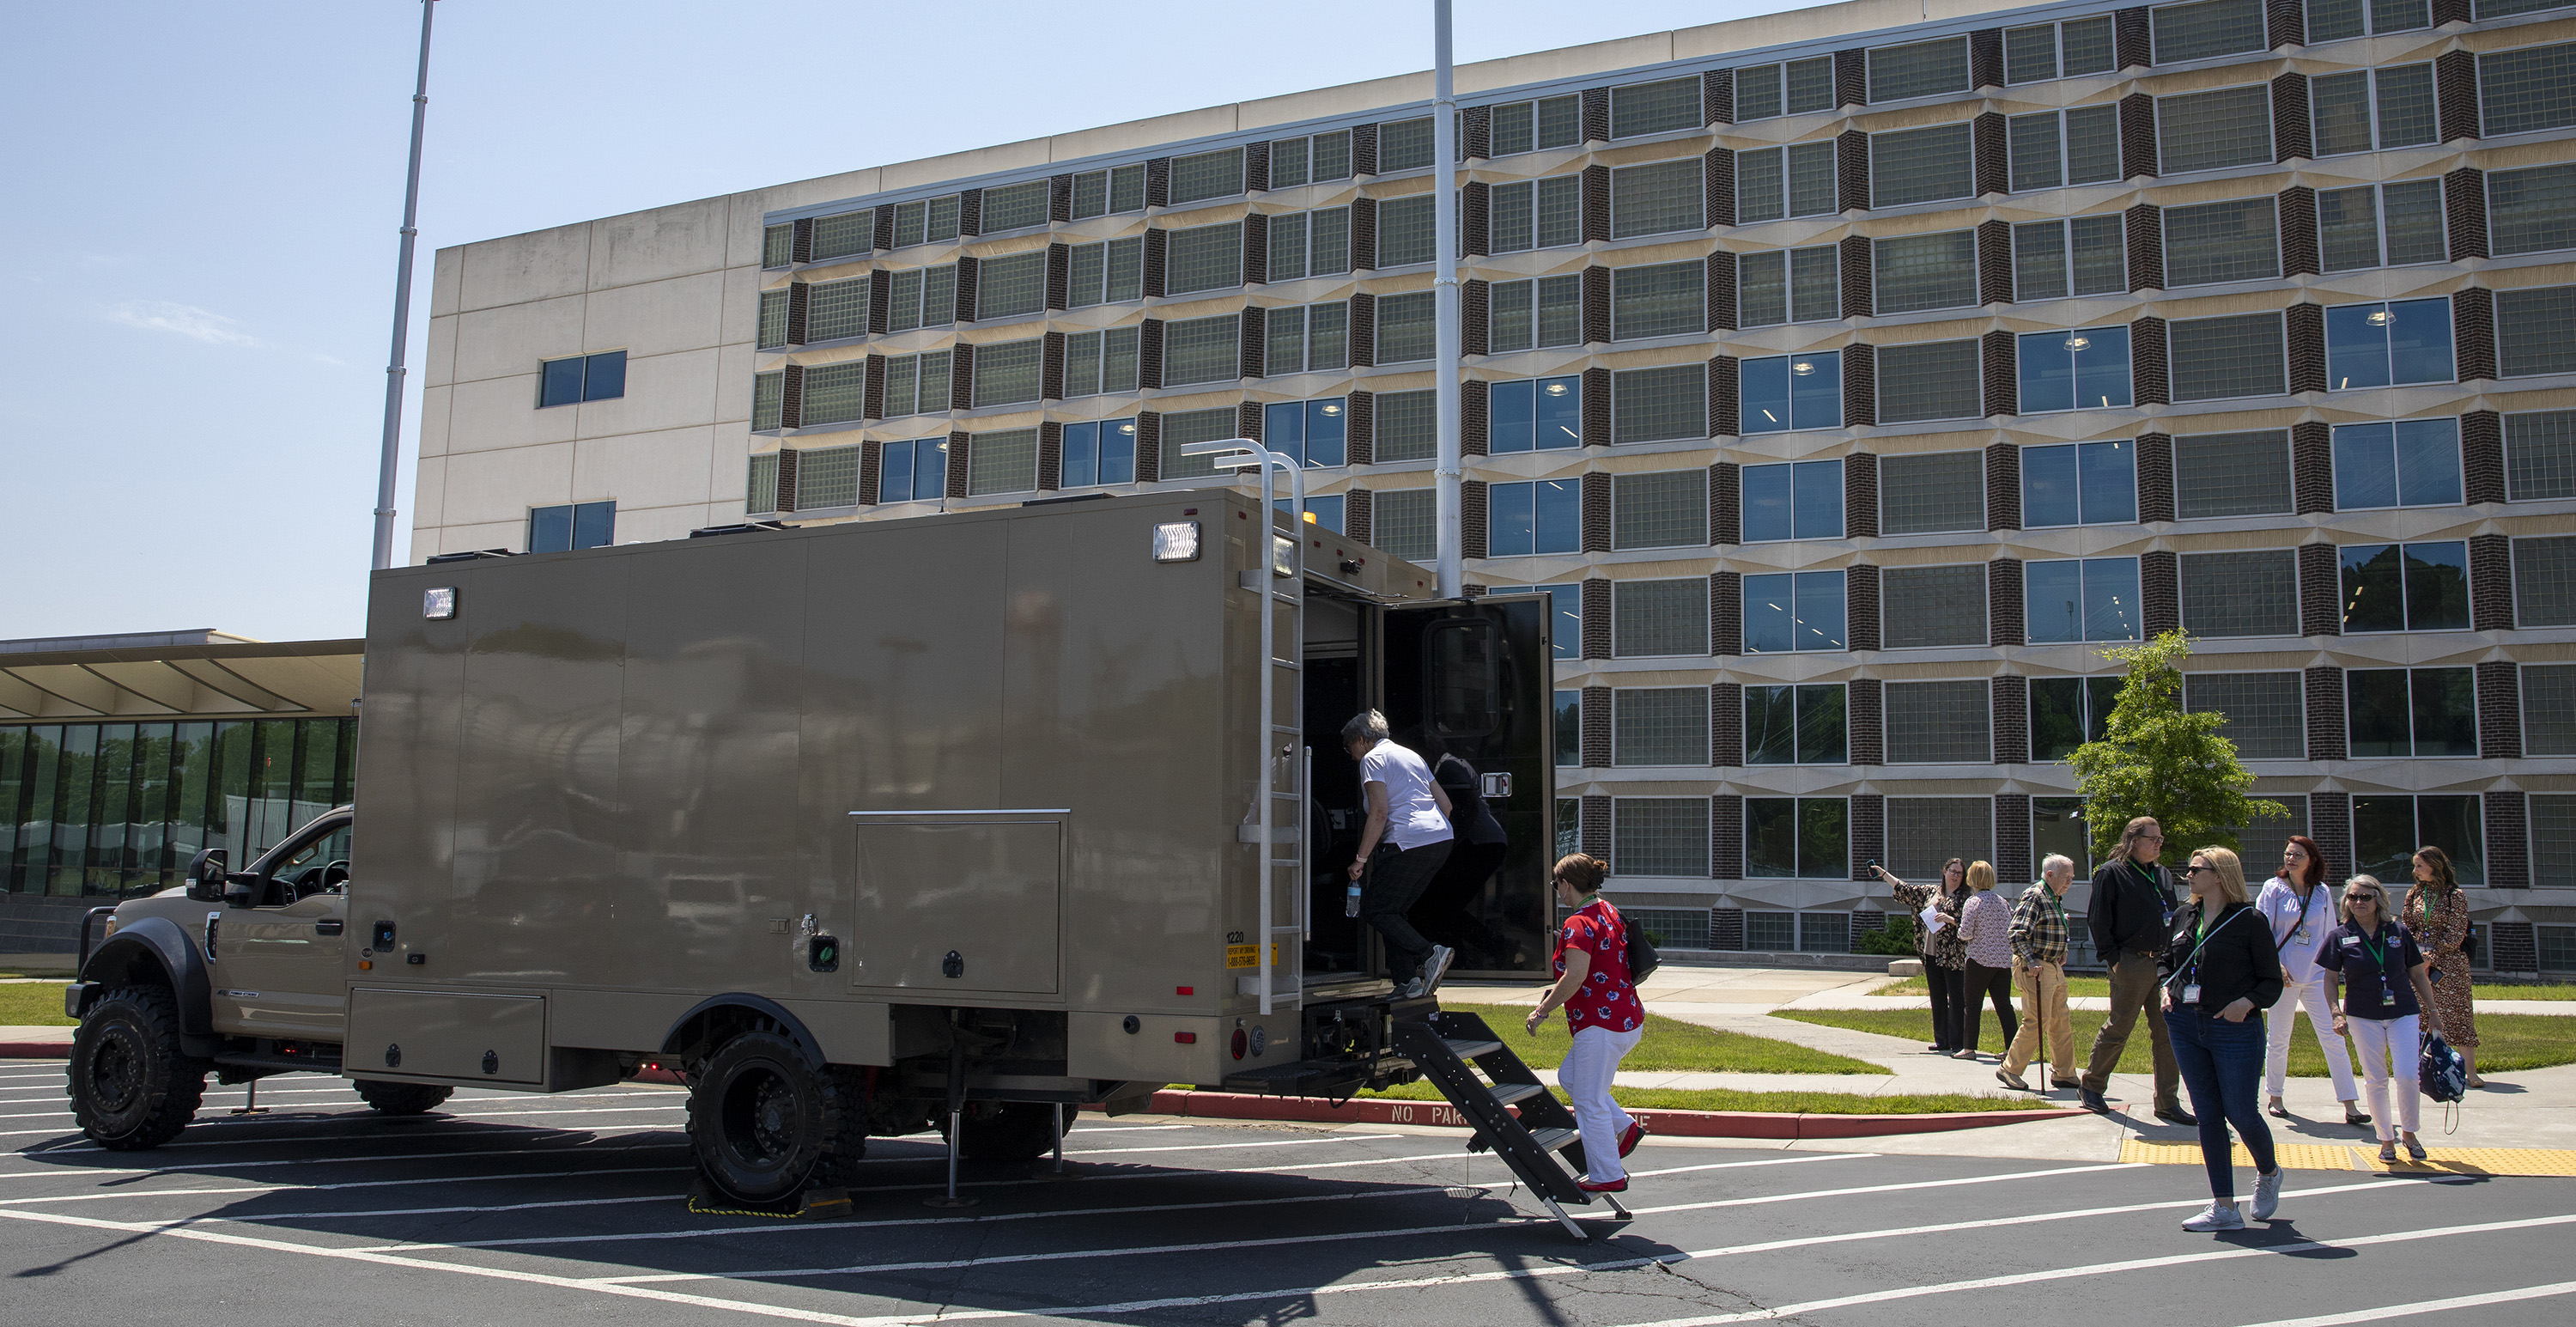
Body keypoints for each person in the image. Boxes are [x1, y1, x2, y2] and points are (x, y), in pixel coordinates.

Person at [2163, 846, 2287, 1232]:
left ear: (2219, 875)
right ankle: (2224, 1207)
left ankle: (2268, 1172)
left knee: (2241, 1112)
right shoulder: (2186, 914)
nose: (2189, 875)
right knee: (2208, 1116)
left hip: (2233, 1027)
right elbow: (2167, 959)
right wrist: (2165, 987)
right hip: (2185, 1023)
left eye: (2196, 869)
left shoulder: (2249, 920)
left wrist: (2246, 1003)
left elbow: (2271, 981)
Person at [1526, 853, 1646, 1194]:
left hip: (1599, 1026)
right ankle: (1624, 1128)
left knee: (1589, 1101)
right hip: (1625, 1018)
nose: (1557, 891)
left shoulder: (1577, 923)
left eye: (1556, 884)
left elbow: (1575, 976)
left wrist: (1542, 1011)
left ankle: (1608, 1174)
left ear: (1567, 884)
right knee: (1571, 1077)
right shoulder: (1607, 911)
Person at [2318, 874, 2443, 1163]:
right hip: (2363, 1014)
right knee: (2375, 1079)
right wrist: (2336, 1012)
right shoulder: (2340, 935)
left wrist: (2433, 1011)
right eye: (2353, 897)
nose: (2359, 902)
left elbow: (2416, 973)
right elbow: (2330, 978)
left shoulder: (2397, 930)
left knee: (2408, 1075)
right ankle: (2386, 1138)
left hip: (2403, 1011)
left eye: (2365, 897)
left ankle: (2410, 1133)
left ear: (2378, 899)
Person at [2080, 817, 2190, 1124]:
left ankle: (2167, 1101)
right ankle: (2091, 1086)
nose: (2158, 843)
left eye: (2160, 838)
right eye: (2152, 838)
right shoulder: (2112, 872)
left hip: (2164, 964)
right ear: (2133, 840)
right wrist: (2113, 959)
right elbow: (2098, 919)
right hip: (2130, 962)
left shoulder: (2163, 875)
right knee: (2120, 1026)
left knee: (2168, 1032)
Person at [2254, 835, 2366, 1126]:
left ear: (2311, 860)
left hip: (2317, 976)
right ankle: (2275, 1097)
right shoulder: (2274, 888)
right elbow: (2261, 932)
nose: (2290, 859)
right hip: (2284, 978)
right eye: (2288, 853)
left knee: (2333, 1037)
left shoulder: (2322, 892)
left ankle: (2350, 1104)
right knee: (2279, 1038)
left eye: (2298, 855)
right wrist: (2275, 966)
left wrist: (2333, 971)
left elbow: (2331, 934)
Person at [1341, 710, 1455, 997]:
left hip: (1408, 841)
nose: (1351, 755)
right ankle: (1407, 983)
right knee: (1392, 912)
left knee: (1375, 909)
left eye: (1349, 747)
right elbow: (1446, 804)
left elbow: (1379, 812)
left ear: (1362, 739)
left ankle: (1430, 954)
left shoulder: (1372, 760)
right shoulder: (1411, 755)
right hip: (1440, 839)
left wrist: (1361, 859)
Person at [1419, 751, 1515, 966]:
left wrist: (1452, 844)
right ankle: (1471, 953)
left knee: (1443, 906)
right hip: (1482, 842)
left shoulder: (1449, 766)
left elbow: (1467, 808)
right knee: (1444, 905)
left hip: (1481, 843)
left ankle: (1488, 949)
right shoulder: (1450, 764)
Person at [1998, 854, 2080, 1093]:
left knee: (2060, 1020)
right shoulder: (2035, 895)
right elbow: (2016, 933)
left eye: (2073, 878)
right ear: (2050, 875)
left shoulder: (2055, 896)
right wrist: (2032, 961)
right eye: (2066, 877)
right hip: (2036, 967)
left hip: (2053, 966)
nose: (2070, 882)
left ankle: (2064, 1073)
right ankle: (2010, 1069)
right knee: (2037, 1021)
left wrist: (2062, 949)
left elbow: (2052, 928)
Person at [2403, 847, 2482, 1088]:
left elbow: (2456, 932)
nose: (2415, 872)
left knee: (2457, 1015)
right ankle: (2422, 1069)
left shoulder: (2454, 895)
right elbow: (2407, 925)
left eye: (2420, 866)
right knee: (2420, 1015)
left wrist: (2432, 956)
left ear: (2435, 867)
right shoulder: (2415, 893)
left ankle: (2470, 1072)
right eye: (2415, 866)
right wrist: (2419, 955)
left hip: (2450, 964)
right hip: (2418, 963)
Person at [1874, 859, 1968, 1054]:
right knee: (1937, 997)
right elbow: (1905, 890)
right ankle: (1942, 1040)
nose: (1956, 876)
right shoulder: (1931, 892)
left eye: (1960, 873)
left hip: (1953, 955)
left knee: (1957, 998)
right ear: (1944, 871)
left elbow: (1971, 924)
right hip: (1931, 953)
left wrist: (1951, 920)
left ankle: (1958, 1042)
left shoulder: (1966, 896)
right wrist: (1884, 875)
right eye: (1953, 871)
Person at [1956, 861, 2018, 1061]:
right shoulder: (2003, 901)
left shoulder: (1973, 902)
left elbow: (1965, 933)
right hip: (2002, 961)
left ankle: (1969, 1048)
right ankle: (2012, 1048)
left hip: (1979, 960)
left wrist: (1957, 929)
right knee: (2004, 1005)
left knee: (1973, 1004)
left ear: (1972, 879)